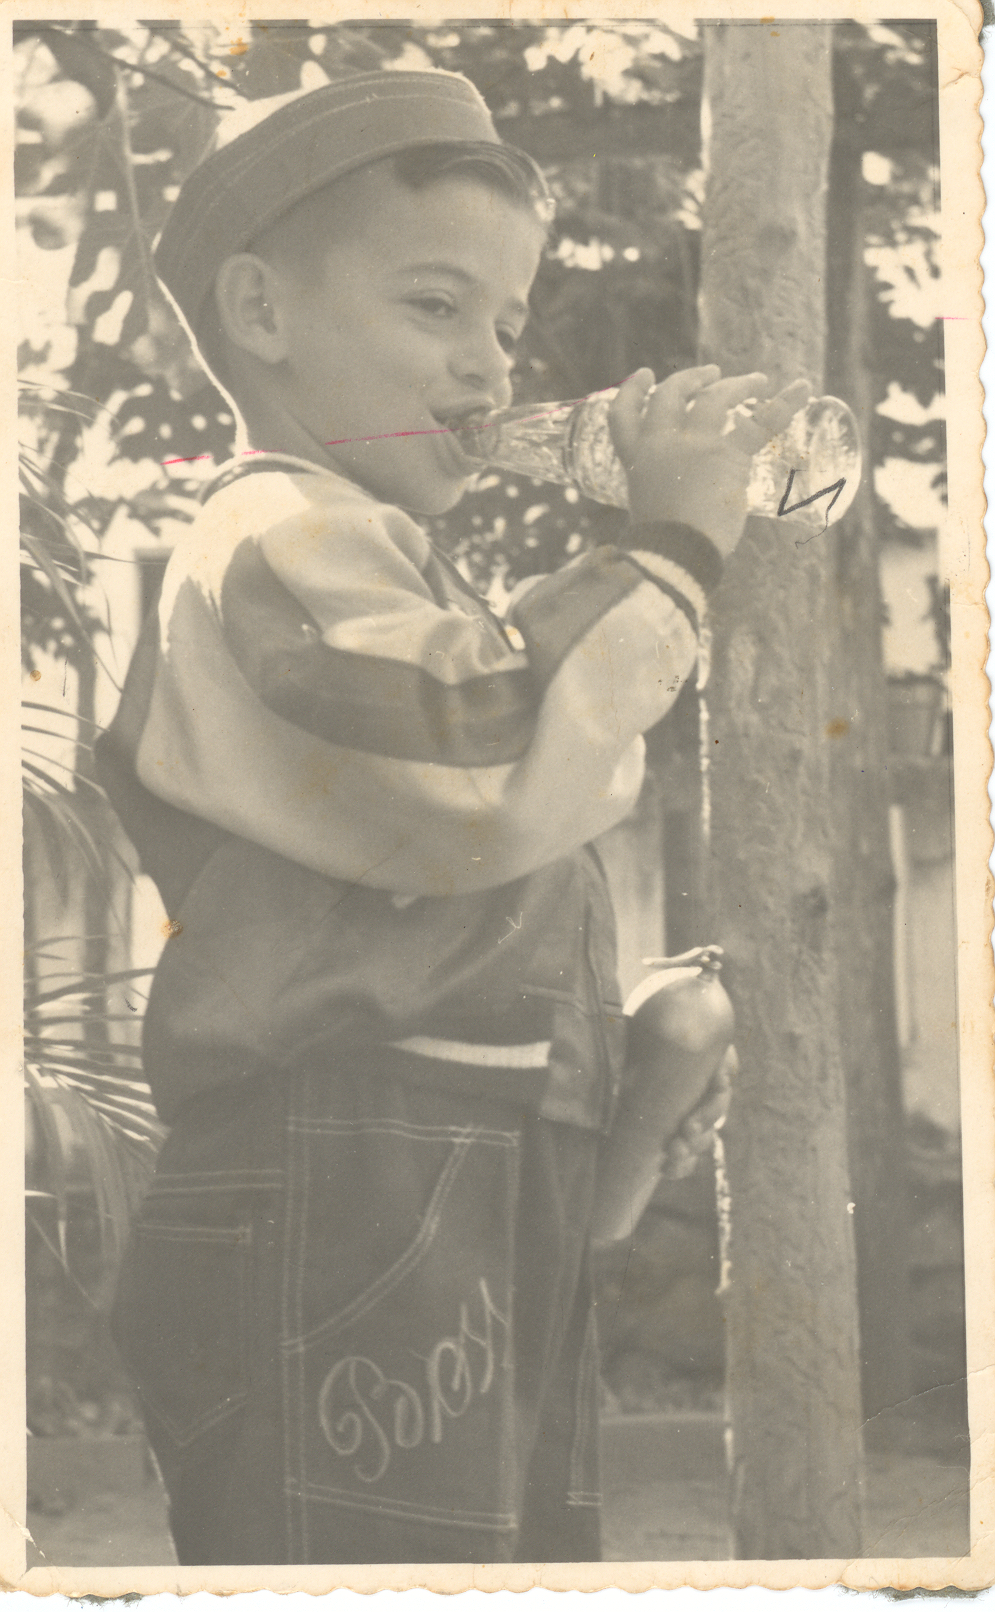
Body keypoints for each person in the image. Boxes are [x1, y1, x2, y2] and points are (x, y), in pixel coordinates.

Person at [97, 67, 805, 1566]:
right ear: (261, 311)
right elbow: (479, 764)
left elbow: (446, 885)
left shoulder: (391, 566)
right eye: (435, 306)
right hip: (338, 1173)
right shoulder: (274, 534)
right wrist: (672, 547)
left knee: (496, 1564)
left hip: (430, 1170)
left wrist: (616, 1084)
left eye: (506, 326)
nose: (488, 370)